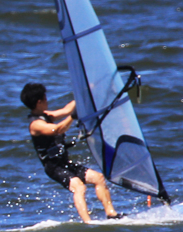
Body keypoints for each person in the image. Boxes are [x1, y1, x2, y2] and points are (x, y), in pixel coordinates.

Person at [20, 83, 124, 223]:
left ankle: (111, 213)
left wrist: (87, 92)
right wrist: (73, 117)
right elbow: (58, 129)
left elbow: (67, 109)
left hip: (64, 163)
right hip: (53, 167)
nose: (47, 100)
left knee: (98, 178)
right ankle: (88, 222)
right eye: (45, 98)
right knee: (79, 187)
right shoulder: (35, 125)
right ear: (40, 101)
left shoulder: (47, 115)